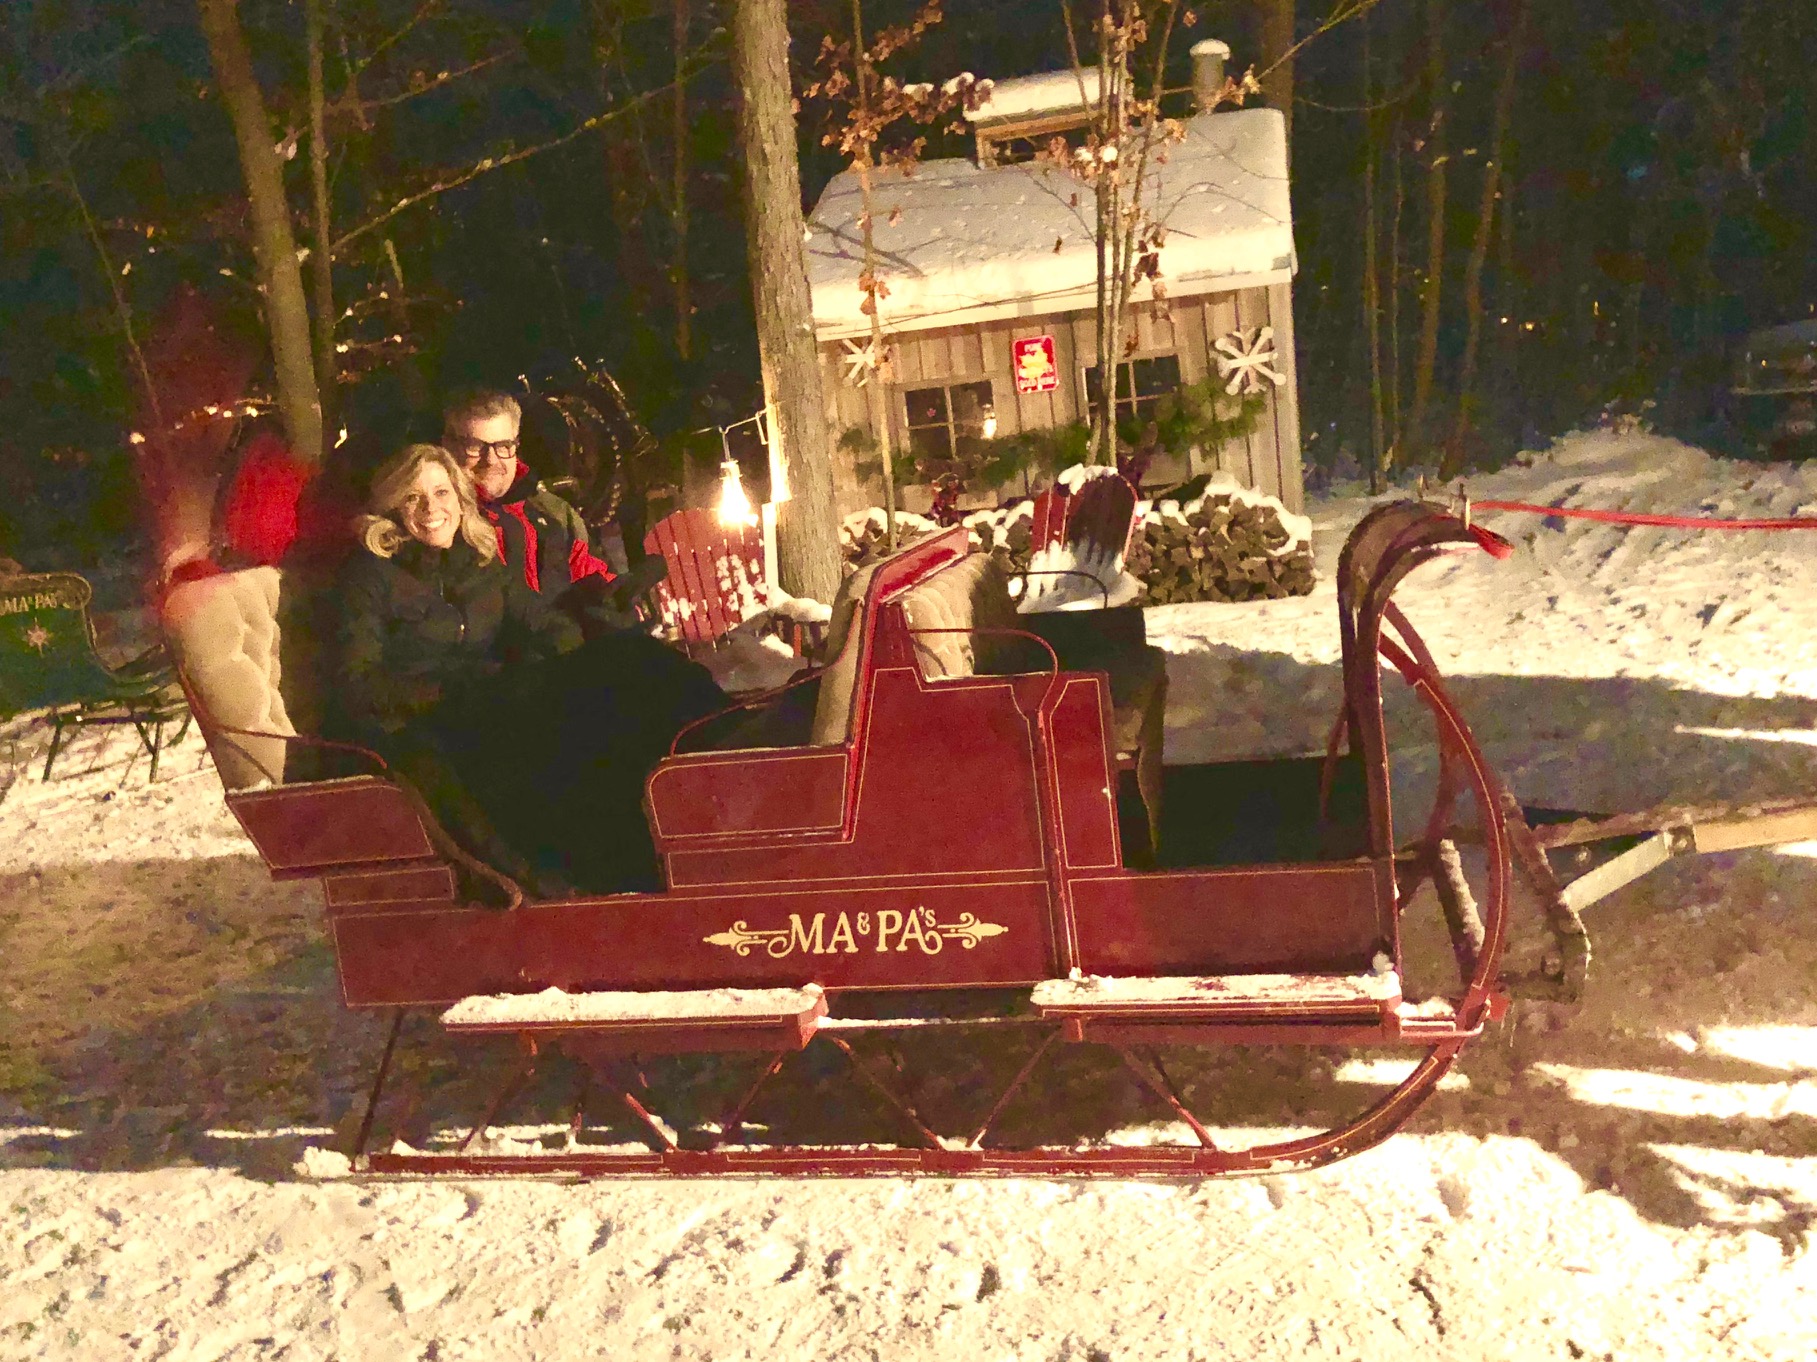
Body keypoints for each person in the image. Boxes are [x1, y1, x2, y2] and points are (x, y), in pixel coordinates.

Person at [332, 443, 728, 899]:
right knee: (613, 680)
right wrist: (451, 691)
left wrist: (553, 658)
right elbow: (357, 683)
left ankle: (722, 745)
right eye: (413, 498)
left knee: (632, 658)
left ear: (461, 500)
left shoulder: (477, 563)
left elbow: (544, 621)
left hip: (498, 695)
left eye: (441, 493)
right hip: (443, 717)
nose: (431, 509)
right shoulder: (369, 578)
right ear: (391, 509)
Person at [442, 389, 618, 598]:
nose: (490, 459)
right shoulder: (438, 519)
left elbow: (593, 573)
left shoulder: (555, 513)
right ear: (448, 446)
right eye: (475, 446)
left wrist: (616, 598)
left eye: (503, 446)